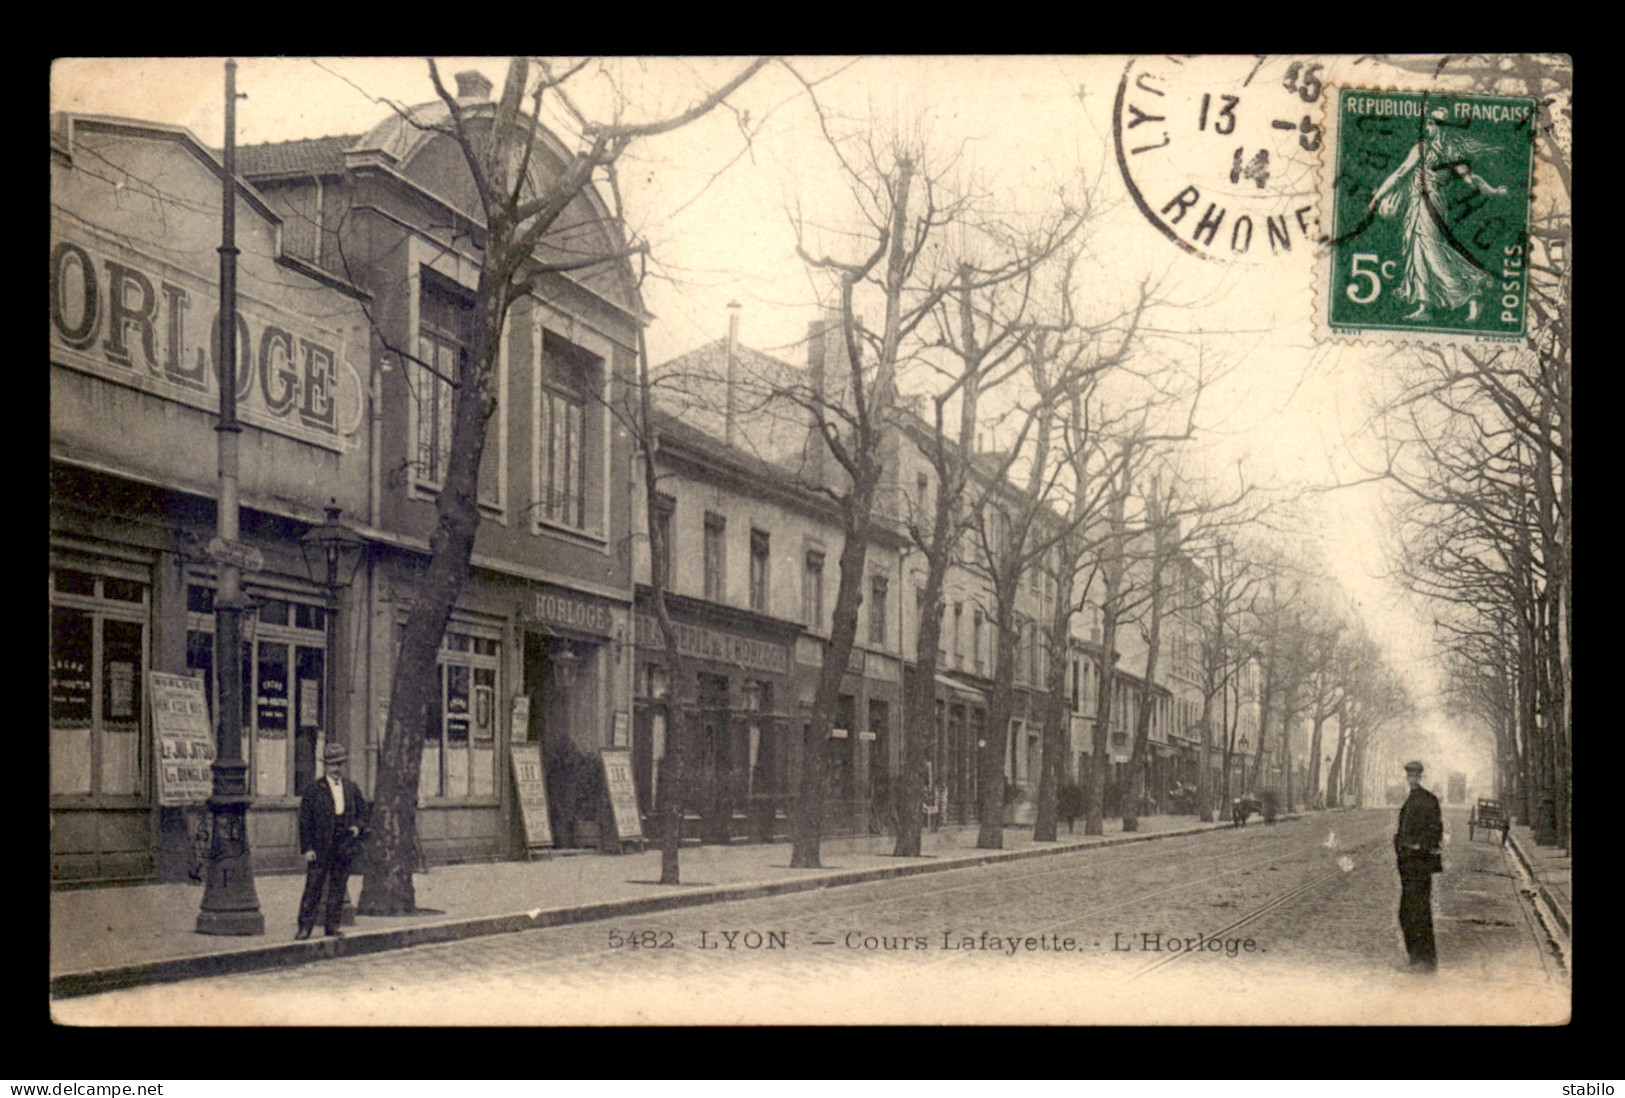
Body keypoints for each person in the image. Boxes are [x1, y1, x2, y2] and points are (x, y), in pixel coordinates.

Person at [1366, 107, 1509, 323]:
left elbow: (1400, 174)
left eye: (1431, 123)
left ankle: (1473, 292)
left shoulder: (1427, 149)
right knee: (1418, 252)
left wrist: (1378, 196)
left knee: (1433, 251)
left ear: (1438, 126)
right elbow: (1472, 180)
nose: (1428, 127)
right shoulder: (1450, 151)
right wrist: (1493, 190)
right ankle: (1425, 306)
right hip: (1420, 203)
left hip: (1429, 204)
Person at [296, 741, 368, 940]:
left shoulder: (351, 788)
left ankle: (332, 925)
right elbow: (305, 821)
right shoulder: (314, 789)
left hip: (343, 843)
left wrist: (356, 827)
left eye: (340, 764)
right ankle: (304, 927)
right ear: (325, 766)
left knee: (338, 886)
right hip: (320, 845)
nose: (337, 769)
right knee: (313, 887)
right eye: (333, 764)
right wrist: (307, 848)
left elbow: (363, 813)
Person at [1394, 759, 1443, 971]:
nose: (1411, 779)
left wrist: (1418, 846)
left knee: (1416, 912)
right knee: (1408, 912)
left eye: (1414, 775)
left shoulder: (1428, 799)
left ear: (1420, 776)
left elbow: (1435, 830)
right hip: (1409, 865)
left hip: (1419, 864)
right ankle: (1418, 958)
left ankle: (1424, 960)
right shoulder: (1413, 798)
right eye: (1409, 775)